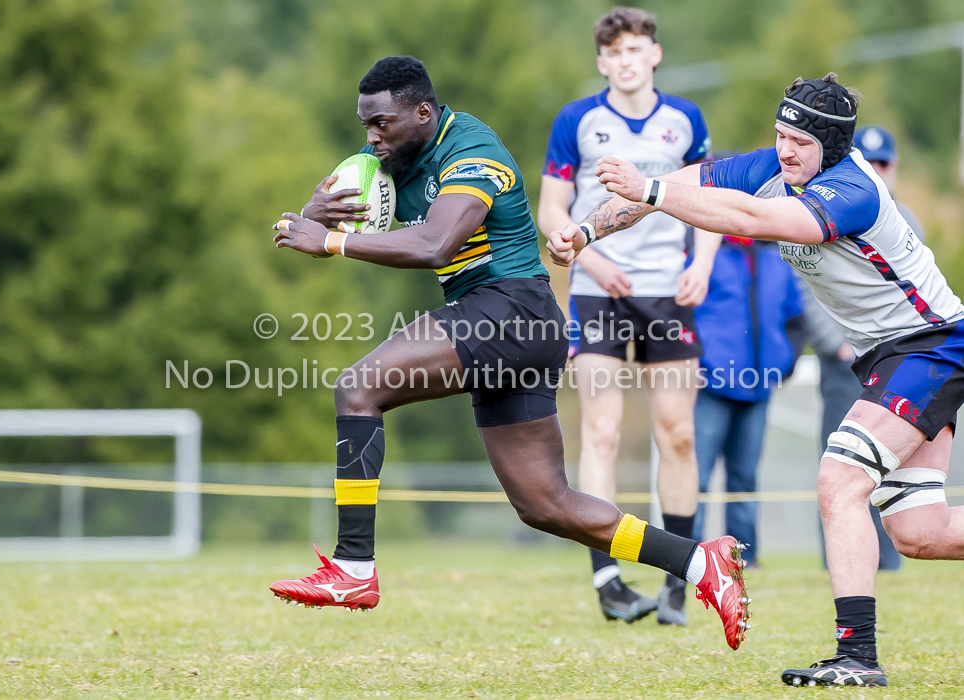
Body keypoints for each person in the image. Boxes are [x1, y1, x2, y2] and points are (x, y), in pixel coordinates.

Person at [267, 55, 750, 651]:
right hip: (510, 325)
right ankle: (701, 564)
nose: (371, 136)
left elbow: (435, 243)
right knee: (546, 505)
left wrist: (334, 241)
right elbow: (333, 212)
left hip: (510, 310)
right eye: (365, 124)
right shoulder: (386, 158)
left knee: (357, 388)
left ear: (423, 112)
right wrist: (310, 217)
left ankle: (354, 569)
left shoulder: (474, 149)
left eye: (382, 123)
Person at [546, 72, 964, 687]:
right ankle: (857, 656)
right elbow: (673, 189)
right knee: (920, 533)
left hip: (931, 345)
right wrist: (585, 233)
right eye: (779, 134)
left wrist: (653, 188)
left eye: (799, 140)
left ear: (833, 145)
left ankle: (857, 657)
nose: (785, 149)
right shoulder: (774, 165)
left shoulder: (852, 189)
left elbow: (748, 216)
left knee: (839, 479)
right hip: (889, 354)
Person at [537, 6, 720, 626]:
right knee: (603, 432)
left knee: (679, 433)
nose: (625, 61)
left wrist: (703, 263)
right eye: (614, 53)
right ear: (601, 62)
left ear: (655, 55)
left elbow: (711, 194)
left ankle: (680, 576)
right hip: (598, 291)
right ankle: (608, 577)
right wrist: (575, 245)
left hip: (670, 292)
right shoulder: (577, 121)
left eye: (636, 50)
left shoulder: (685, 120)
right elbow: (552, 207)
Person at [806, 125, 926, 572]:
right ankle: (839, 563)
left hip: (901, 360)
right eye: (868, 163)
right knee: (837, 466)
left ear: (893, 168)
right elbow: (807, 284)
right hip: (845, 363)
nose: (876, 171)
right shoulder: (824, 210)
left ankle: (889, 563)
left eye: (883, 164)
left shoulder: (906, 217)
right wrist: (836, 342)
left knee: (892, 469)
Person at [693, 236, 805, 566]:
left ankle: (744, 558)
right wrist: (697, 364)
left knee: (745, 479)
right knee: (696, 478)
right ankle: (689, 559)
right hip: (710, 387)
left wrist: (785, 364)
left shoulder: (777, 260)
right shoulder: (703, 256)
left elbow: (796, 320)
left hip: (758, 389)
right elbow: (683, 312)